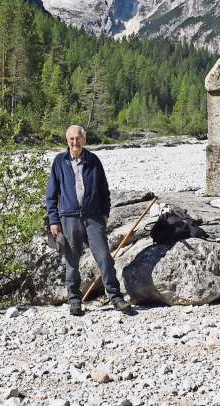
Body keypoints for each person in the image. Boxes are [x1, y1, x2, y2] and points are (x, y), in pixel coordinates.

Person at [46, 124, 130, 315]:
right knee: (71, 262)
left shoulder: (93, 160)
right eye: (71, 139)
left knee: (104, 258)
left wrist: (105, 214)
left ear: (84, 139)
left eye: (78, 138)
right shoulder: (59, 162)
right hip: (69, 219)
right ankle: (75, 301)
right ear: (67, 141)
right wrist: (53, 220)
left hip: (93, 218)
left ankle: (116, 297)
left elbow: (104, 191)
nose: (75, 142)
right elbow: (51, 194)